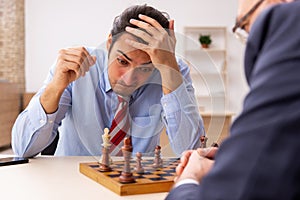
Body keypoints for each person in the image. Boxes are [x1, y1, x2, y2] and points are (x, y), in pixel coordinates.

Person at [12, 5, 204, 157]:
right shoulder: (74, 67)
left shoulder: (170, 68)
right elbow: (23, 149)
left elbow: (190, 150)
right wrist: (56, 86)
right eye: (122, 61)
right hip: (71, 182)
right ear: (110, 42)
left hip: (134, 185)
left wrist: (168, 68)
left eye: (146, 67)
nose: (129, 79)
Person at [166, 0, 300, 199]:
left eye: (244, 25)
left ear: (279, 3)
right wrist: (230, 158)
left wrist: (189, 177)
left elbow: (189, 147)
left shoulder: (292, 24)